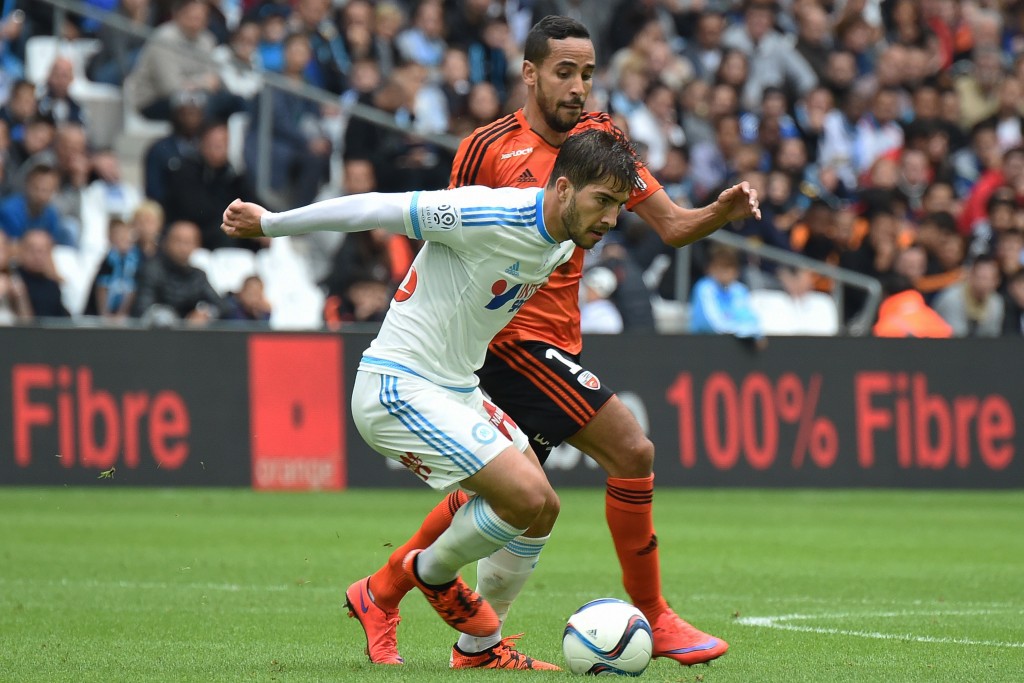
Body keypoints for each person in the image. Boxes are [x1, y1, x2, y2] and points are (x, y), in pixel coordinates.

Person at [344, 16, 759, 671]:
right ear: (531, 73)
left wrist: (719, 213)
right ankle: (654, 613)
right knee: (630, 446)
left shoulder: (602, 142)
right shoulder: (486, 147)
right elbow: (446, 247)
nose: (579, 86)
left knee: (512, 499)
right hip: (505, 341)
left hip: (560, 336)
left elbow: (673, 224)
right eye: (565, 72)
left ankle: (386, 593)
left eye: (588, 73)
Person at [223, 128, 646, 671]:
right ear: (564, 188)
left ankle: (476, 650)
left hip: (455, 387)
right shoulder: (485, 213)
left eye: (619, 205)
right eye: (603, 201)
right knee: (518, 497)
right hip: (396, 386)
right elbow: (378, 207)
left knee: (543, 509)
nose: (612, 219)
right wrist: (272, 223)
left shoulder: (565, 240)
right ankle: (430, 573)